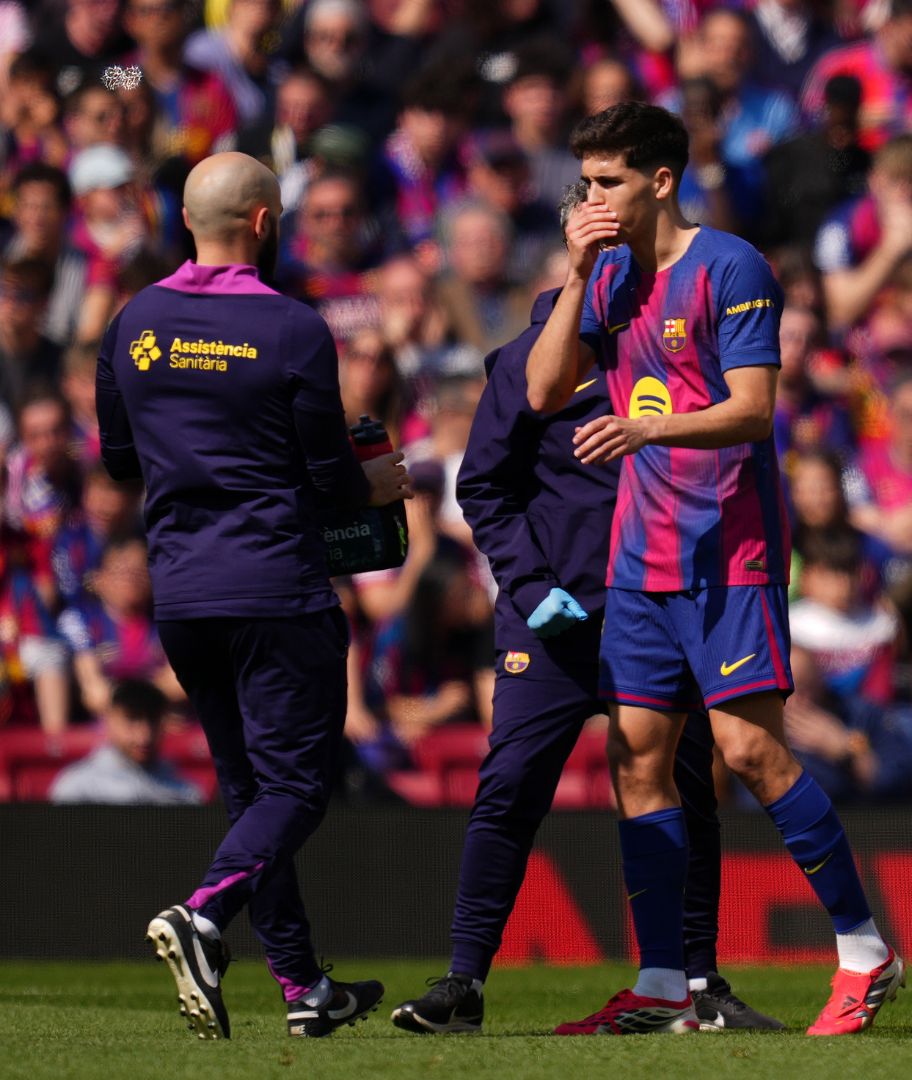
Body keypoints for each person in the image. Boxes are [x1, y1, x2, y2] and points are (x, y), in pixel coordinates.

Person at [524, 102, 899, 1037]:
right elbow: (538, 391)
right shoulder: (604, 274)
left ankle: (863, 947)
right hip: (641, 557)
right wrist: (573, 274)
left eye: (607, 181)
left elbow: (753, 407)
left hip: (729, 549)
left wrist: (647, 425)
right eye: (585, 183)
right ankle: (661, 987)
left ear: (659, 180)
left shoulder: (731, 266)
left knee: (749, 751)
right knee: (637, 758)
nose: (591, 199)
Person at [392, 184, 781, 1036]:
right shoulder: (530, 359)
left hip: (660, 604)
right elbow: (482, 487)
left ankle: (697, 981)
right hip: (557, 618)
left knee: (685, 786)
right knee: (511, 785)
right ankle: (463, 981)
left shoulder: (681, 359)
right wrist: (533, 594)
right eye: (602, 247)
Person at [100, 152, 410, 1040]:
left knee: (251, 795)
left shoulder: (132, 321)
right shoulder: (293, 329)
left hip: (183, 596)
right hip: (276, 587)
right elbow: (327, 472)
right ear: (267, 223)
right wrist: (378, 486)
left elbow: (121, 463)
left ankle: (304, 986)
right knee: (302, 785)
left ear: (189, 220)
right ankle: (201, 917)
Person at [49, 678, 201, 806]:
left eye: (153, 721)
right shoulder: (79, 788)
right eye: (132, 720)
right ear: (109, 720)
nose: (144, 736)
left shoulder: (184, 792)